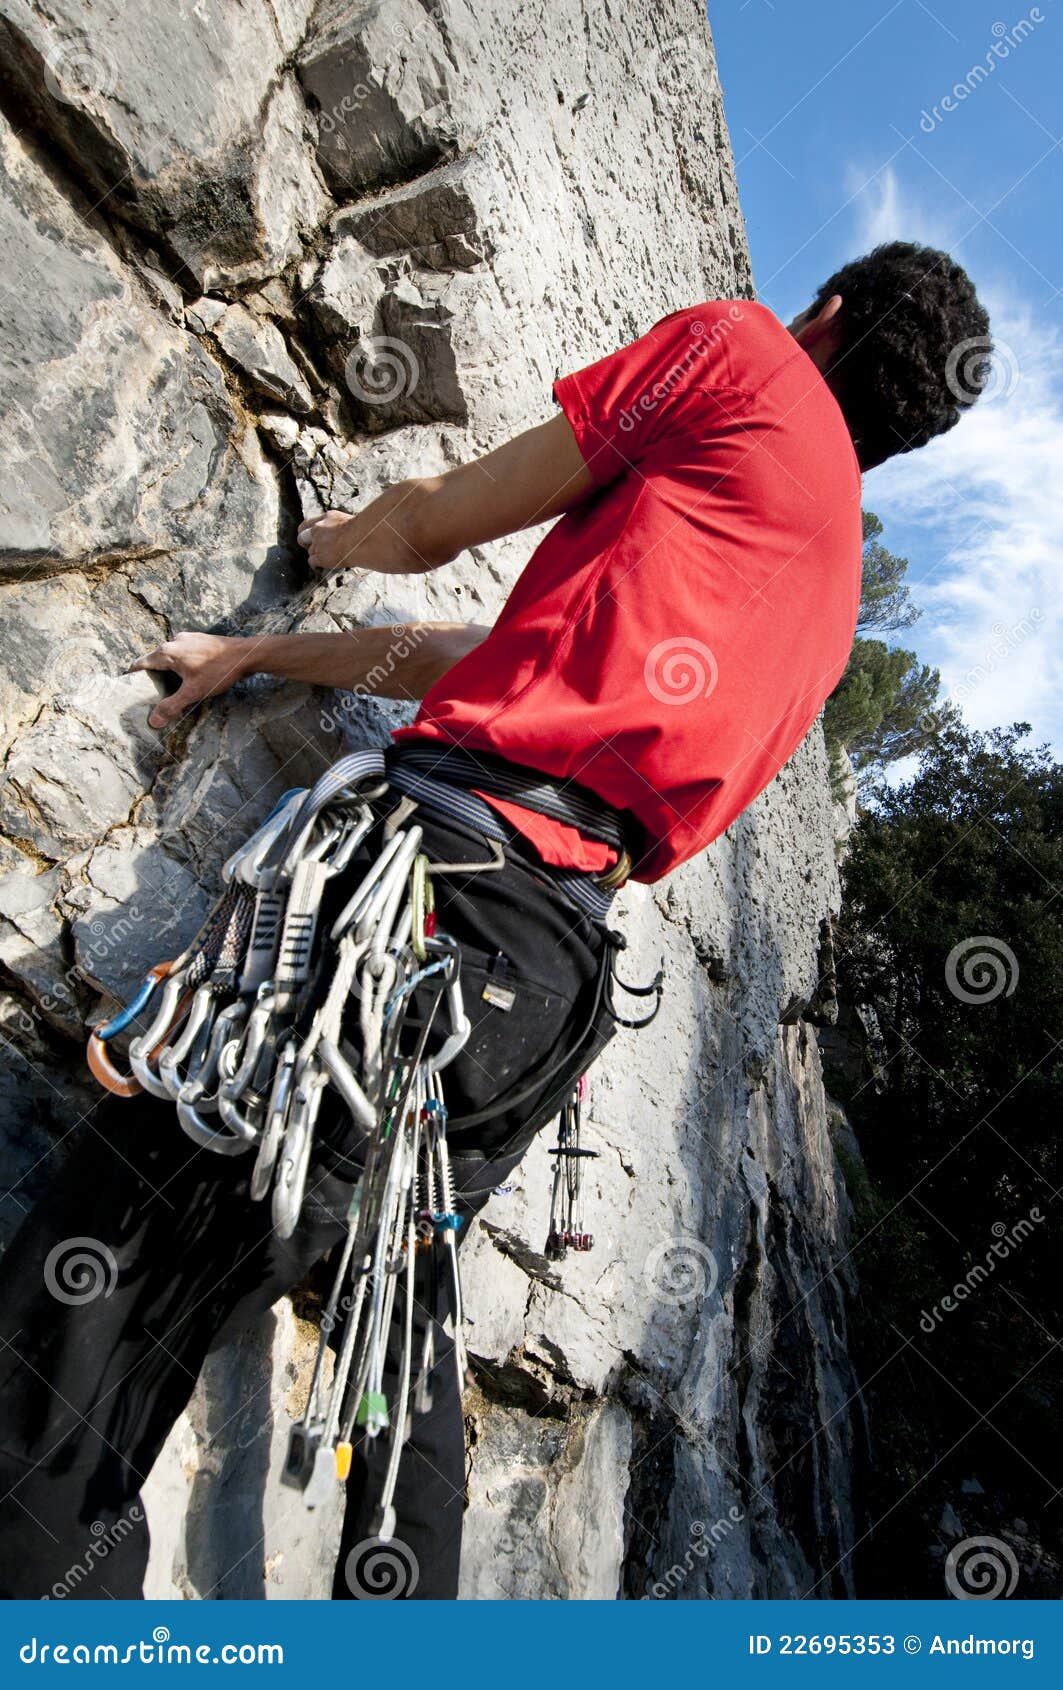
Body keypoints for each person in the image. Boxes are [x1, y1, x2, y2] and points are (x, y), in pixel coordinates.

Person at [0, 242, 990, 1600]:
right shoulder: (822, 612)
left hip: (423, 910)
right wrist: (264, 655)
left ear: (823, 316)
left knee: (87, 1312)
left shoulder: (744, 357)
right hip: (542, 986)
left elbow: (435, 524)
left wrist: (333, 544)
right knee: (393, 1318)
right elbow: (490, 662)